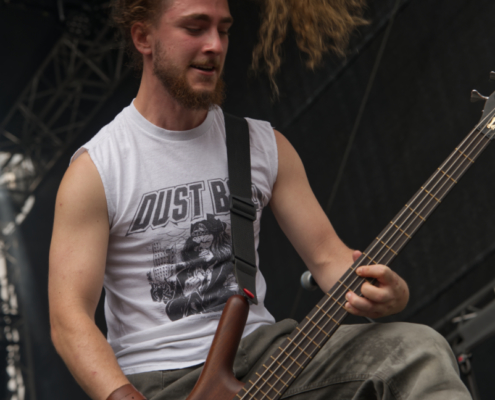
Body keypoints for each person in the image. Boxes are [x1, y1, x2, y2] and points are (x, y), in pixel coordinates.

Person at [48, 0, 471, 399]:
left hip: (265, 353)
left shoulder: (261, 145)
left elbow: (330, 260)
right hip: (163, 382)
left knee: (419, 350)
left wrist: (387, 294)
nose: (215, 45)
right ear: (143, 37)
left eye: (224, 30)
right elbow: (69, 318)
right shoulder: (97, 169)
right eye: (195, 27)